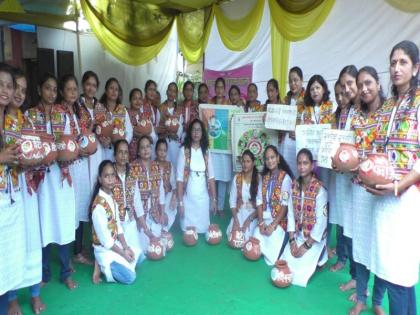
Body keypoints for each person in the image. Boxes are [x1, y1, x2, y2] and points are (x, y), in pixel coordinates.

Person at [367, 40, 420, 315]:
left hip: (407, 198)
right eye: (393, 62)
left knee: (399, 274)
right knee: (395, 273)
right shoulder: (388, 105)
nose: (396, 68)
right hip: (382, 197)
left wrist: (397, 186)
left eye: (403, 62)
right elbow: (376, 145)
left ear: (415, 68)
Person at [27, 73, 77, 290]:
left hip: (61, 176)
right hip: (40, 180)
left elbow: (71, 144)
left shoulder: (62, 114)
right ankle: (44, 273)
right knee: (43, 224)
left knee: (64, 223)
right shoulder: (29, 115)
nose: (51, 93)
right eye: (47, 88)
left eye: (54, 89)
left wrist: (66, 153)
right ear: (39, 90)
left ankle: (66, 272)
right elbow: (28, 147)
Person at [6, 69, 45, 315]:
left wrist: (37, 157)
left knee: (32, 239)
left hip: (28, 189)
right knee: (11, 244)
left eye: (22, 89)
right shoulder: (2, 120)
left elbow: (39, 151)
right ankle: (11, 299)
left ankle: (34, 293)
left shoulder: (28, 119)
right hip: (9, 191)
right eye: (14, 88)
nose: (18, 94)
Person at [348, 66, 386, 315]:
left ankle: (378, 301)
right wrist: (345, 163)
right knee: (361, 247)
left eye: (368, 83)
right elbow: (349, 152)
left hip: (384, 191)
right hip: (360, 190)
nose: (364, 88)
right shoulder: (356, 118)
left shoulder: (389, 113)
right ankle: (361, 297)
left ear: (378, 84)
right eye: (360, 85)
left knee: (381, 248)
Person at [59, 74, 94, 267]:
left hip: (80, 167)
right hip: (67, 168)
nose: (72, 93)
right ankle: (69, 256)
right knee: (68, 211)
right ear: (62, 92)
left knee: (80, 208)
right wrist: (76, 149)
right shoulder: (59, 112)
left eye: (75, 89)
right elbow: (60, 142)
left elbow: (82, 136)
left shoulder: (77, 111)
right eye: (69, 89)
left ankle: (78, 250)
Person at [280, 149, 328, 287]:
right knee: (285, 267)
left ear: (312, 166)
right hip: (297, 235)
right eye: (299, 163)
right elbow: (290, 214)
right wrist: (292, 241)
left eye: (305, 163)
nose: (302, 167)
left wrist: (306, 246)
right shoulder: (293, 186)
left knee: (298, 277)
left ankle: (321, 254)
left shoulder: (320, 190)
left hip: (313, 238)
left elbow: (321, 223)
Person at [0, 64, 26, 313]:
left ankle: (9, 299)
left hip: (12, 192)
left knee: (8, 251)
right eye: (1, 84)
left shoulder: (13, 118)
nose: (5, 90)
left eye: (9, 85)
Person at [90, 160, 140, 284]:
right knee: (130, 278)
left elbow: (117, 225)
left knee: (139, 255)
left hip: (114, 244)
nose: (111, 179)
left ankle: (122, 262)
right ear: (100, 179)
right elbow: (106, 242)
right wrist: (123, 254)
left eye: (113, 175)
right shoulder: (98, 207)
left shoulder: (111, 197)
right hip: (105, 250)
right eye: (106, 176)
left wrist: (126, 247)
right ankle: (102, 266)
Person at [334, 65, 359, 298]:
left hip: (359, 179)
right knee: (346, 225)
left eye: (350, 83)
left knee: (355, 229)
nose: (347, 88)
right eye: (343, 85)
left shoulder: (362, 109)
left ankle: (358, 280)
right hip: (343, 175)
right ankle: (354, 274)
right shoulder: (343, 111)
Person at [75, 71, 102, 265]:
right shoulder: (77, 106)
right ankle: (77, 250)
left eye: (94, 85)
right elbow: (76, 132)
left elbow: (106, 128)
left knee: (96, 199)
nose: (91, 88)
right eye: (88, 84)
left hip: (98, 155)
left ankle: (95, 245)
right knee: (82, 200)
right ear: (83, 86)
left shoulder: (99, 106)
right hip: (82, 159)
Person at [253, 145, 293, 265]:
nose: (270, 161)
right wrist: (260, 223)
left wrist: (273, 225)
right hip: (264, 219)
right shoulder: (264, 178)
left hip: (279, 221)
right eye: (267, 158)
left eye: (272, 157)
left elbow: (285, 206)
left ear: (278, 158)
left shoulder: (286, 178)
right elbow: (259, 201)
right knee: (255, 240)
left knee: (271, 258)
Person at [176, 118, 217, 233]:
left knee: (203, 231)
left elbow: (211, 177)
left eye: (199, 130)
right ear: (190, 132)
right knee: (188, 233)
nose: (196, 133)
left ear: (202, 133)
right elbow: (179, 179)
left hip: (203, 199)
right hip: (188, 199)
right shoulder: (184, 151)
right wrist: (180, 203)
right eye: (194, 130)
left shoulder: (206, 151)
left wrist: (214, 199)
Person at [329, 80, 349, 272]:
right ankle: (342, 256)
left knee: (347, 219)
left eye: (343, 94)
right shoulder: (337, 114)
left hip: (351, 175)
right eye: (337, 95)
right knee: (339, 216)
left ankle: (345, 256)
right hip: (337, 173)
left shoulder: (354, 114)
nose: (340, 98)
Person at [111, 139, 144, 259]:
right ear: (114, 155)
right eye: (120, 152)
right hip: (114, 226)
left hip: (129, 223)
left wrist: (145, 227)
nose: (123, 156)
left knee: (138, 258)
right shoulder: (109, 174)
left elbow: (137, 201)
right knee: (123, 260)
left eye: (126, 152)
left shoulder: (132, 174)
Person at [209, 77, 236, 216]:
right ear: (215, 89)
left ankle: (220, 207)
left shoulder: (229, 104)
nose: (219, 90)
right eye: (217, 87)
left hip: (225, 147)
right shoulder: (209, 104)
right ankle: (210, 205)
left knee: (224, 178)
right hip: (213, 146)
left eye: (221, 87)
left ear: (224, 89)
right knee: (213, 176)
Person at [135, 135, 166, 250]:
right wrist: (138, 219)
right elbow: (132, 198)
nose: (146, 150)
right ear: (138, 151)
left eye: (148, 146)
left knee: (159, 243)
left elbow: (161, 191)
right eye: (142, 148)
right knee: (144, 248)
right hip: (139, 216)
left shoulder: (157, 167)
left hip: (154, 213)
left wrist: (162, 213)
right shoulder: (132, 168)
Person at [226, 150, 261, 242]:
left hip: (254, 214)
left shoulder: (259, 179)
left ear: (253, 163)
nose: (245, 164)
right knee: (234, 237)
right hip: (240, 212)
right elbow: (232, 201)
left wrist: (249, 220)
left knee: (248, 237)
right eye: (243, 161)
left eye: (248, 161)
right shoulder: (237, 178)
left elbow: (261, 205)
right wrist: (236, 219)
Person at [95, 77, 133, 161]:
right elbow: (95, 130)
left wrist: (120, 144)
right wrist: (102, 140)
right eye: (111, 88)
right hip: (102, 151)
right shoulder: (99, 108)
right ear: (106, 90)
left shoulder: (122, 110)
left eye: (116, 89)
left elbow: (129, 132)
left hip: (119, 154)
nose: (114, 91)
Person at [279, 67, 305, 176]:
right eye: (290, 81)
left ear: (301, 80)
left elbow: (312, 123)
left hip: (298, 145)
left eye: (295, 80)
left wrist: (299, 131)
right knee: (284, 176)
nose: (292, 83)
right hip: (284, 145)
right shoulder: (285, 100)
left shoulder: (307, 100)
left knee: (297, 176)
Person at [127, 88, 157, 161]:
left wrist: (146, 137)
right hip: (129, 153)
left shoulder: (145, 115)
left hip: (144, 155)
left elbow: (154, 137)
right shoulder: (126, 114)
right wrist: (133, 133)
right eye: (135, 98)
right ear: (130, 100)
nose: (138, 101)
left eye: (140, 99)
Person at [159, 82, 184, 169]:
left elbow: (181, 126)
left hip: (174, 143)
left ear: (176, 94)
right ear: (166, 91)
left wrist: (176, 135)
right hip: (163, 142)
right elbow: (158, 125)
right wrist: (166, 133)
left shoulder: (179, 109)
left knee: (174, 167)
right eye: (170, 90)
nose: (171, 93)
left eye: (174, 91)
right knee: (163, 166)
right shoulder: (161, 107)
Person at [155, 139, 177, 231]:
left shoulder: (169, 165)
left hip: (167, 196)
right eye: (160, 150)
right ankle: (159, 226)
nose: (162, 153)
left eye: (164, 151)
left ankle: (165, 228)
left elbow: (173, 184)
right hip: (155, 197)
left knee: (173, 200)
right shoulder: (152, 165)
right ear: (156, 151)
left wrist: (174, 197)